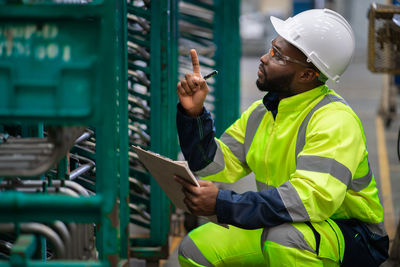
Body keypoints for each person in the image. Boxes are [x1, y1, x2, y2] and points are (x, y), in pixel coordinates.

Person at [175, 8, 389, 266]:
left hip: (351, 235)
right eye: (271, 49)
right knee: (195, 248)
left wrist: (223, 204)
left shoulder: (334, 120)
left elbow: (308, 202)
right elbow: (212, 165)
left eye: (278, 56)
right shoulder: (262, 113)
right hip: (287, 223)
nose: (264, 58)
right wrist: (194, 114)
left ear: (307, 75)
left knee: (284, 238)